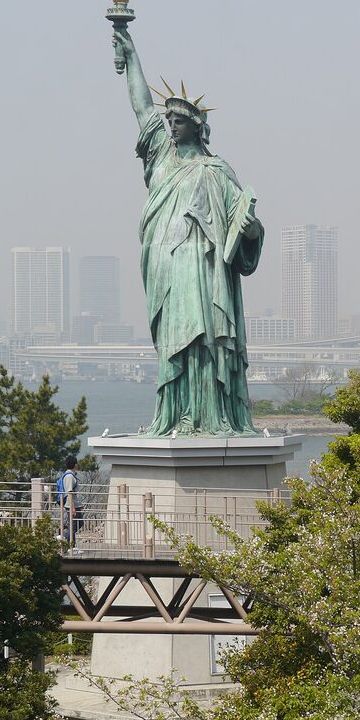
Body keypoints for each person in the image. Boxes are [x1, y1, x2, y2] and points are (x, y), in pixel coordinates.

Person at [112, 26, 264, 436]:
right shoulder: (161, 158)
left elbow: (245, 226)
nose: (171, 126)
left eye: (179, 121)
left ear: (197, 127)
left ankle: (208, 416)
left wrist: (249, 231)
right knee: (173, 341)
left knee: (205, 338)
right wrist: (131, 55)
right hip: (165, 266)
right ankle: (175, 413)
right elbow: (143, 108)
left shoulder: (217, 171)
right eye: (170, 120)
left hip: (202, 267)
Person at [58, 456, 83, 548]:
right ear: (75, 464)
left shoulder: (71, 475)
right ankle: (68, 543)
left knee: (78, 524)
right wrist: (72, 508)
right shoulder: (69, 476)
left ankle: (71, 544)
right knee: (73, 526)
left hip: (74, 505)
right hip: (71, 506)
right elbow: (69, 492)